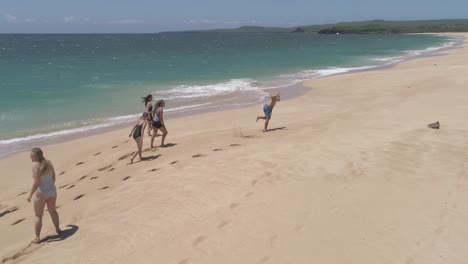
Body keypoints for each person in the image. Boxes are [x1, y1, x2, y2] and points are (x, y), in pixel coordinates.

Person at [27, 148, 61, 244]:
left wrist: (30, 194)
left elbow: (37, 182)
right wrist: (50, 187)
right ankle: (58, 229)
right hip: (52, 190)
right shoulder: (49, 162)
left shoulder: (35, 166)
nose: (30, 157)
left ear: (37, 156)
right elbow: (53, 177)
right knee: (53, 211)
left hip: (41, 192)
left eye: (32, 155)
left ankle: (37, 238)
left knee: (38, 215)